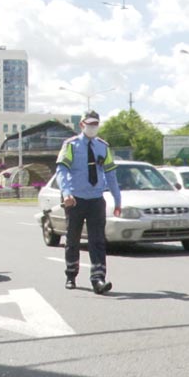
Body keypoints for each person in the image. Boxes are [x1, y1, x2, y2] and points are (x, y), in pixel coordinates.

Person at [55, 110, 121, 294]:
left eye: (95, 124)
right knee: (73, 238)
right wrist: (66, 193)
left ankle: (98, 279)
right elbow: (62, 171)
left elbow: (111, 174)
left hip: (96, 199)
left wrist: (117, 200)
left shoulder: (103, 147)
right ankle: (71, 274)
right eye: (89, 124)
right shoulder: (71, 145)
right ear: (81, 125)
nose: (92, 127)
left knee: (98, 240)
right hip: (75, 199)